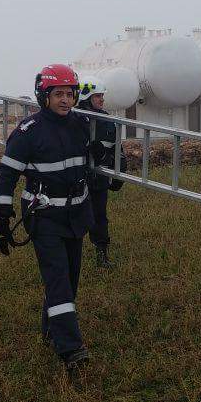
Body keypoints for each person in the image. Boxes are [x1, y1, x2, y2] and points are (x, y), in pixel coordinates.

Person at [0, 64, 94, 374]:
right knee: (58, 280)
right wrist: (1, 214)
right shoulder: (29, 132)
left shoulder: (81, 125)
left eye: (70, 94)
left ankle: (51, 329)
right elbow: (7, 174)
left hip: (76, 215)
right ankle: (71, 349)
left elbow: (90, 162)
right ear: (44, 96)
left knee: (69, 280)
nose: (65, 100)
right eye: (58, 94)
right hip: (44, 217)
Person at [77, 78, 127, 268]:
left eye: (102, 96)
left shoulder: (107, 120)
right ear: (86, 97)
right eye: (97, 96)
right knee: (75, 216)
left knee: (99, 216)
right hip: (77, 179)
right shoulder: (74, 120)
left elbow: (117, 149)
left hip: (99, 178)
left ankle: (102, 254)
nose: (102, 99)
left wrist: (119, 173)